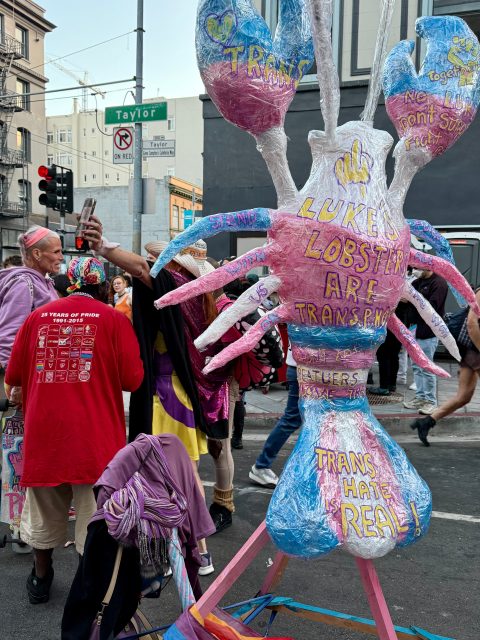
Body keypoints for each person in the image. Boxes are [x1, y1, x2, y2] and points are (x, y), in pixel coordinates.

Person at [83, 220, 227, 576]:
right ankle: (200, 552)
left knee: (159, 475)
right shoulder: (201, 296)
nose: (151, 261)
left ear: (175, 267)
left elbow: (144, 272)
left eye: (159, 258)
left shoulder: (176, 289)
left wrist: (104, 248)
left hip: (167, 396)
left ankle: (171, 553)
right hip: (185, 394)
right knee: (188, 474)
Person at [4, 256, 144, 604]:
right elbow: (133, 380)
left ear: (70, 282)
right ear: (101, 285)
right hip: (95, 440)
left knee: (41, 513)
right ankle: (88, 584)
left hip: (44, 435)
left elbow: (12, 376)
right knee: (93, 517)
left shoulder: (37, 317)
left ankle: (41, 578)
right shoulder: (114, 319)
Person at [411, 288, 480, 446]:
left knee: (463, 397)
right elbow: (471, 323)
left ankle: (426, 423)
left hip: (472, 350)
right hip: (473, 348)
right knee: (464, 395)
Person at [249, 346, 300, 487]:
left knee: (296, 420)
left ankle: (262, 464)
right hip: (303, 369)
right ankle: (261, 465)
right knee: (293, 419)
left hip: (303, 368)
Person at [403, 269, 448, 415]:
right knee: (416, 366)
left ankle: (431, 401)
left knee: (427, 367)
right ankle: (420, 397)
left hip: (427, 331)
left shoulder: (439, 283)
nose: (414, 270)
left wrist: (412, 298)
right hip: (414, 328)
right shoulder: (418, 282)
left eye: (417, 267)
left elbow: (431, 307)